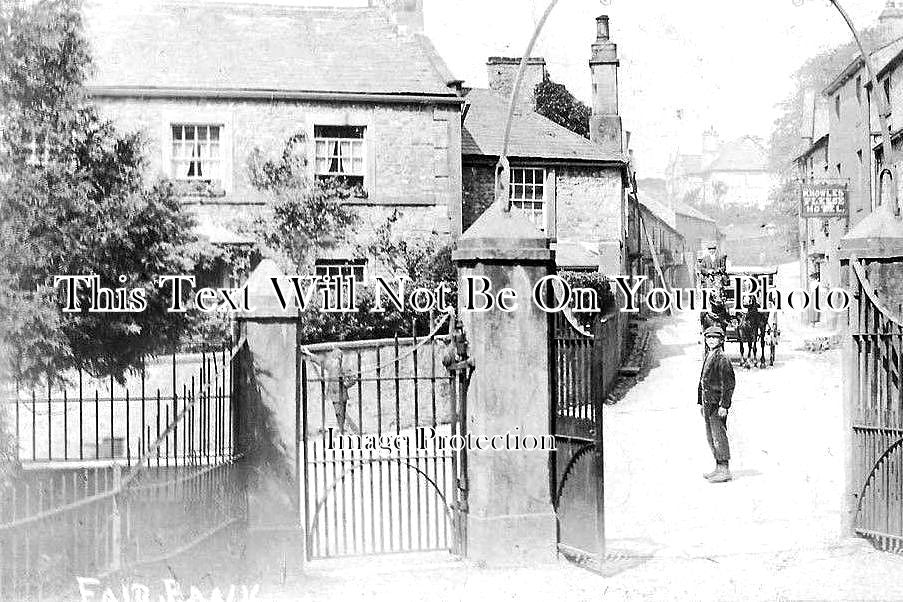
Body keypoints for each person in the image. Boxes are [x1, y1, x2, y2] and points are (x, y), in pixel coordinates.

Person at [698, 325, 736, 483]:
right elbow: (702, 380)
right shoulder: (709, 355)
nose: (711, 340)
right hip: (708, 403)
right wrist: (700, 402)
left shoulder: (722, 358)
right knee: (711, 436)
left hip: (717, 404)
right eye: (709, 338)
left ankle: (724, 469)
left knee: (719, 435)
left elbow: (728, 384)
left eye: (715, 338)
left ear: (721, 340)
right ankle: (718, 467)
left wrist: (724, 406)